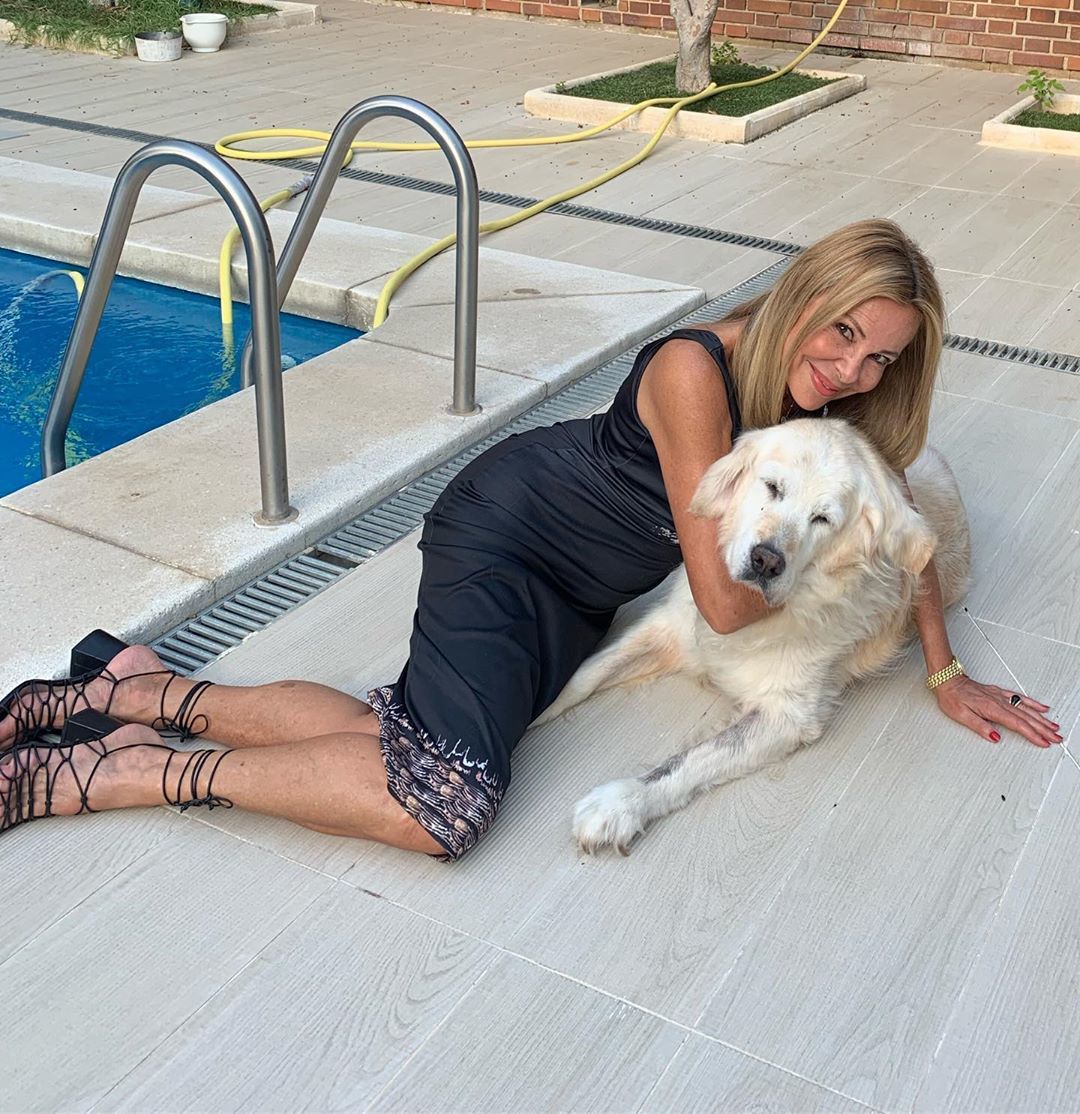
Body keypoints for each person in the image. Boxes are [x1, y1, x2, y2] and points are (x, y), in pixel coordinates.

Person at [0, 220, 1060, 857]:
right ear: (805, 297)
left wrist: (942, 667)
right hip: (510, 533)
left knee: (405, 741)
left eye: (881, 358)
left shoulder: (825, 420)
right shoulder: (698, 371)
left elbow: (905, 530)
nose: (853, 370)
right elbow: (728, 603)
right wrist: (830, 555)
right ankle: (124, 771)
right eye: (844, 332)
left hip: (582, 586)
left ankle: (139, 692)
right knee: (443, 804)